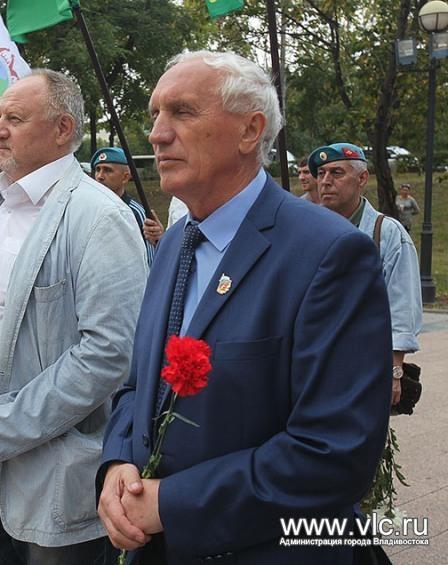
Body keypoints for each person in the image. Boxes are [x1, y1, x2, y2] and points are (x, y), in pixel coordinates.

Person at [98, 51, 392, 565]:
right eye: (155, 114)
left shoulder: (330, 252)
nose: (157, 134)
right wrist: (118, 462)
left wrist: (173, 504)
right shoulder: (173, 243)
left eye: (182, 112)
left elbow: (333, 451)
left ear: (250, 131)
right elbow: (138, 386)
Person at [0, 69, 148, 565]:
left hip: (44, 476)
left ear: (62, 129)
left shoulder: (98, 216)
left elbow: (110, 353)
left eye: (14, 119)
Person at [310, 142, 422, 405]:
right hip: (313, 364)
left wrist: (395, 369)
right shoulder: (306, 231)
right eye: (321, 173)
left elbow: (402, 304)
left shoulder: (387, 233)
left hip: (364, 366)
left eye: (336, 173)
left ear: (361, 179)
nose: (325, 181)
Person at [92, 146, 155, 264]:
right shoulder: (90, 209)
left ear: (125, 177)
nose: (100, 176)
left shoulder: (136, 212)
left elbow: (149, 261)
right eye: (97, 169)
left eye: (107, 170)